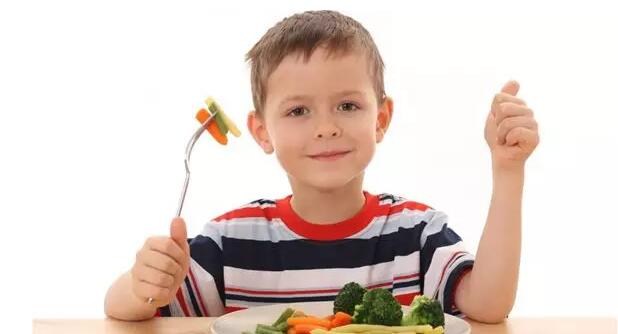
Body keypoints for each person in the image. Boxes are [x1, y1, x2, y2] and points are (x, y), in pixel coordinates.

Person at [104, 10, 539, 323]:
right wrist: (141, 286)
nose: (326, 128)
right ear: (262, 132)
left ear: (381, 119)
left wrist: (508, 170)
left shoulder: (416, 233)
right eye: (298, 112)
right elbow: (124, 311)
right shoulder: (229, 243)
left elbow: (488, 305)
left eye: (347, 105)